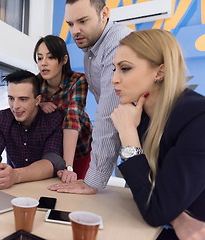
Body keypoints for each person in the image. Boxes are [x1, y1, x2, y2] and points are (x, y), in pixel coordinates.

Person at [110, 29, 205, 240]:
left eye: (125, 68)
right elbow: (149, 194)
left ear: (160, 72)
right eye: (114, 69)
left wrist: (127, 133)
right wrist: (176, 216)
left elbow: (155, 210)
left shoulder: (198, 117)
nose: (114, 79)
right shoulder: (139, 115)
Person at [49, 0, 132, 193]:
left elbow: (108, 114)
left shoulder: (118, 42)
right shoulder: (90, 53)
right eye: (70, 24)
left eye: (83, 21)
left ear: (104, 13)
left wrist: (92, 181)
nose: (75, 31)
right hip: (130, 137)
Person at [0, 70, 66, 190]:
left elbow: (52, 162)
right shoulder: (3, 119)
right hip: (13, 189)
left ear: (37, 100)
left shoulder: (53, 121)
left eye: (23, 99)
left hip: (47, 189)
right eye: (11, 98)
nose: (15, 106)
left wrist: (15, 176)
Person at [33, 35, 91, 182]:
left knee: (75, 188)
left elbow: (73, 116)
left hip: (78, 148)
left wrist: (68, 167)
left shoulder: (78, 80)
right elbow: (24, 104)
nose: (43, 63)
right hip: (50, 149)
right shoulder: (35, 83)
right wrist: (39, 103)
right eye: (40, 58)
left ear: (64, 60)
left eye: (50, 57)